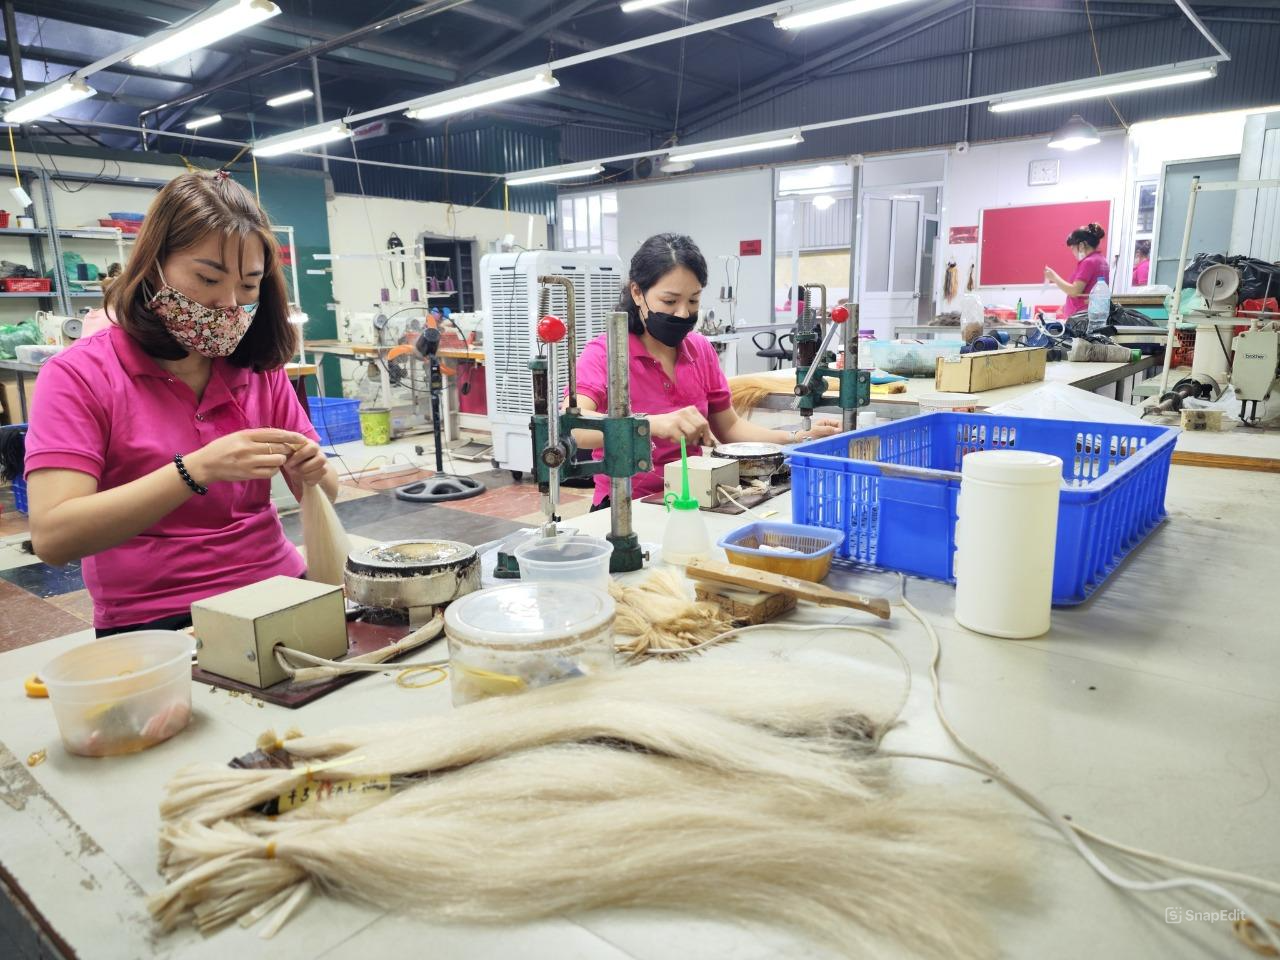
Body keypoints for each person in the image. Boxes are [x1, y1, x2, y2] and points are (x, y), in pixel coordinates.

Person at [24, 171, 337, 636]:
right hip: (155, 615)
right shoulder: (79, 376)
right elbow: (54, 537)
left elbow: (324, 491)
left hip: (275, 589)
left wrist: (312, 470)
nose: (228, 303)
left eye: (249, 286)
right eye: (207, 278)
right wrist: (194, 471)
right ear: (153, 266)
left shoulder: (257, 366)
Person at [573, 233, 841, 510]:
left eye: (693, 301)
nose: (681, 313)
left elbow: (729, 427)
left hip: (694, 496)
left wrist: (798, 438)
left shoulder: (699, 349)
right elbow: (577, 427)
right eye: (669, 301)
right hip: (626, 504)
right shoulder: (606, 353)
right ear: (637, 293)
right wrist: (650, 424)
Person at [1044, 222, 1109, 318]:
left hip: (1082, 318)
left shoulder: (1089, 262)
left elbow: (1075, 291)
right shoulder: (1102, 260)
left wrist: (1054, 277)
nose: (1073, 252)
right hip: (1091, 315)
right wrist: (1066, 306)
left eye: (1073, 248)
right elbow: (1087, 291)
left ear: (1082, 245)